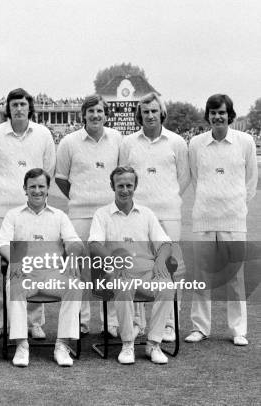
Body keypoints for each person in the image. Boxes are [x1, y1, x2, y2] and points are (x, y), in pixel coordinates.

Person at [0, 88, 56, 340]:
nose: (18, 108)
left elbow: (48, 170)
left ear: (29, 107)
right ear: (8, 108)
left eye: (23, 104)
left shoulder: (43, 134)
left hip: (34, 209)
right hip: (2, 208)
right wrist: (9, 194)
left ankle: (34, 322)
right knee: (1, 267)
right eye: (14, 104)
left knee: (34, 262)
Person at [185, 94, 257, 346]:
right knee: (201, 275)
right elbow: (195, 178)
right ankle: (200, 327)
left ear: (230, 115)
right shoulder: (195, 144)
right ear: (208, 116)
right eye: (213, 112)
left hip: (234, 220)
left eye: (222, 113)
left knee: (235, 278)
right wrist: (209, 202)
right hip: (204, 218)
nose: (218, 117)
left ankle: (238, 330)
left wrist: (235, 206)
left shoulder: (245, 142)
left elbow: (251, 182)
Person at [119, 92, 190, 342]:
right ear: (140, 114)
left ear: (162, 113)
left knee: (169, 268)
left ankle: (169, 323)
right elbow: (123, 176)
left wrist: (167, 198)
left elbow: (183, 177)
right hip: (136, 214)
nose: (150, 115)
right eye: (145, 111)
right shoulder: (128, 143)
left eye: (154, 111)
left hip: (169, 214)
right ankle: (138, 321)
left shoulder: (177, 142)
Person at [0, 168, 83, 367]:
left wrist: (72, 256)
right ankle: (21, 345)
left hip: (53, 275)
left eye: (41, 186)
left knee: (75, 286)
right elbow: (2, 244)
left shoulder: (59, 215)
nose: (37, 191)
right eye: (32, 187)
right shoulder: (13, 215)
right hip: (24, 274)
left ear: (48, 189)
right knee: (15, 286)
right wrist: (17, 262)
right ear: (25, 189)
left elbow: (75, 242)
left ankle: (62, 345)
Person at [89, 166, 174, 365]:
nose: (125, 190)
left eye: (129, 185)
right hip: (118, 274)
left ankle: (153, 343)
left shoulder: (146, 213)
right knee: (123, 287)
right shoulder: (102, 214)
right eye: (120, 185)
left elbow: (165, 243)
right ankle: (127, 343)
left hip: (146, 273)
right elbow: (94, 245)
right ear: (112, 186)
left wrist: (161, 260)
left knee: (167, 286)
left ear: (135, 186)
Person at [55, 94, 123, 336]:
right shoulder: (69, 142)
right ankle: (80, 323)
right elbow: (61, 178)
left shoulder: (117, 139)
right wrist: (80, 197)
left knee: (110, 268)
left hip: (109, 216)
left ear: (106, 115)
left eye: (100, 111)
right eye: (91, 111)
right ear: (83, 115)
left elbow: (123, 175)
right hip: (79, 215)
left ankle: (111, 323)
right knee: (79, 271)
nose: (95, 115)